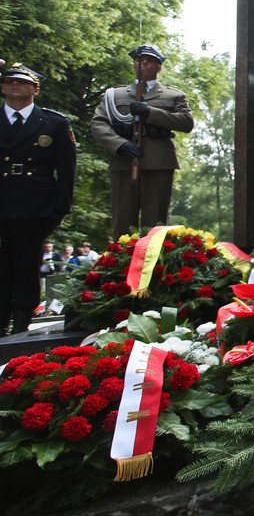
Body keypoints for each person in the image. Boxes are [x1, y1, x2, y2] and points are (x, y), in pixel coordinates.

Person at [1, 64, 76, 336]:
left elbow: (67, 167)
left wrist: (62, 204)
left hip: (35, 202)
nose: (14, 85)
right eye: (8, 81)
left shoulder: (54, 123)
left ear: (36, 89)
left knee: (26, 262)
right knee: (3, 262)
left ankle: (21, 320)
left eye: (21, 82)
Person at [90, 44, 193, 242]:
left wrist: (150, 112)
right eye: (139, 60)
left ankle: (154, 265)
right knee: (123, 221)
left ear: (159, 67)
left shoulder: (174, 96)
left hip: (158, 162)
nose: (143, 63)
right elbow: (98, 124)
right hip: (124, 161)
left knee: (155, 224)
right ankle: (121, 265)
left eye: (149, 60)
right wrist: (118, 144)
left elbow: (186, 123)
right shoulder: (114, 95)